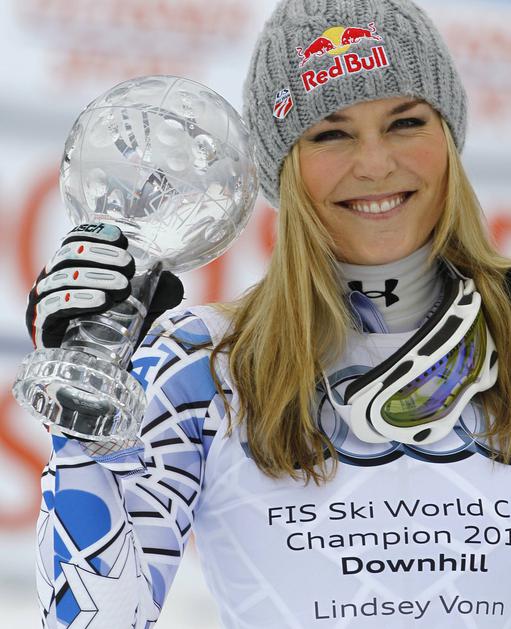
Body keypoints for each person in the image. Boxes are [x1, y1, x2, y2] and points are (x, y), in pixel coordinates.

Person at [26, 0, 511, 627]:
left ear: (449, 136)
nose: (375, 163)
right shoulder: (205, 364)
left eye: (406, 123)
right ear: (284, 169)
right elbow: (92, 621)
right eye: (331, 133)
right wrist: (80, 413)